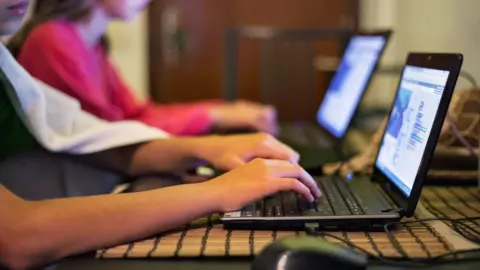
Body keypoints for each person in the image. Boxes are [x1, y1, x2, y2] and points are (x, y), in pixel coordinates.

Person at [0, 1, 320, 269]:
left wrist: (209, 147)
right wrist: (217, 190)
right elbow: (18, 235)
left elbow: (101, 137)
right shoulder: (51, 39)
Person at [7, 0, 279, 137]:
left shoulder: (93, 43)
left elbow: (136, 113)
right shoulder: (52, 39)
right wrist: (213, 116)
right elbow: (112, 131)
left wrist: (223, 111)